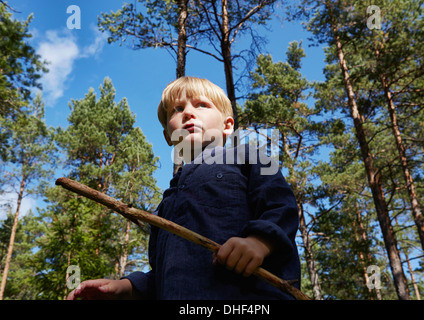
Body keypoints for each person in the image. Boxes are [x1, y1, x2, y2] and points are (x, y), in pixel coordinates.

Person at [67, 76, 300, 300]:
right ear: (168, 135)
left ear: (227, 126)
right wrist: (127, 287)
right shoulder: (166, 203)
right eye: (177, 110)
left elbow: (281, 204)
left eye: (202, 105)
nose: (188, 112)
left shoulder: (248, 155)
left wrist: (259, 242)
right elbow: (163, 272)